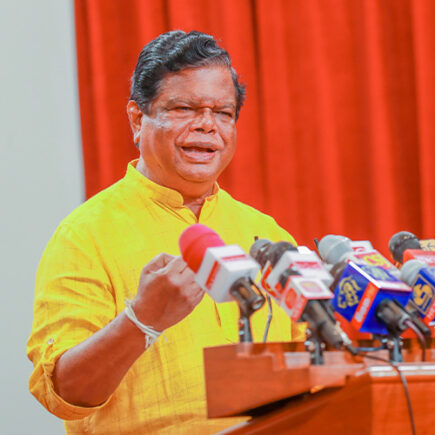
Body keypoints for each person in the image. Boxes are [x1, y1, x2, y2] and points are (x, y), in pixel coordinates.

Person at [27, 30, 302, 434]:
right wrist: (141, 320)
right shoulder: (84, 234)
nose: (207, 125)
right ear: (138, 120)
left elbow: (316, 371)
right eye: (184, 108)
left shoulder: (266, 234)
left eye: (223, 113)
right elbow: (63, 393)